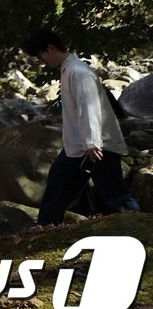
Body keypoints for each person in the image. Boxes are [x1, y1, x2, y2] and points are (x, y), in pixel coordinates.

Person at [20, 28, 139, 224]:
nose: (43, 61)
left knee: (114, 193)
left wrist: (92, 143)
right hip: (80, 145)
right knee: (59, 183)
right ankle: (45, 226)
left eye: (41, 55)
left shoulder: (78, 71)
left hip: (99, 145)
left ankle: (138, 228)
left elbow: (89, 107)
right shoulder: (71, 70)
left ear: (51, 48)